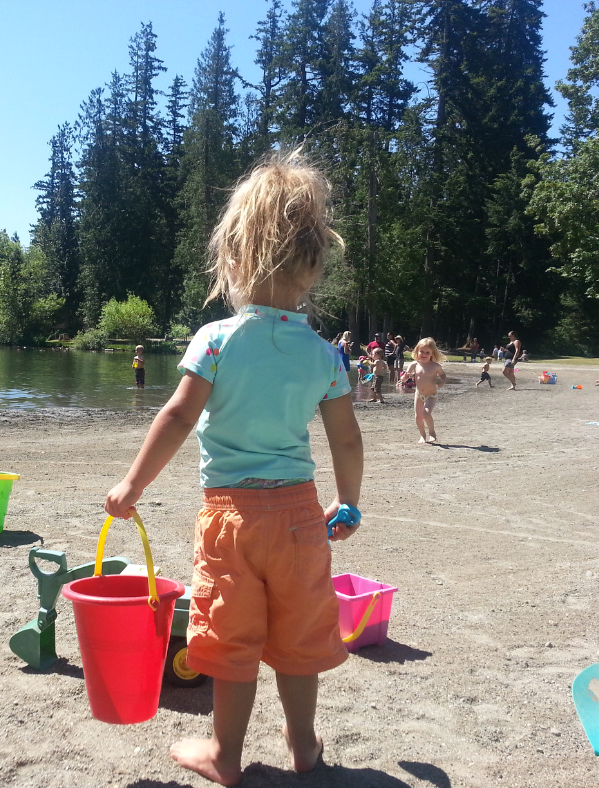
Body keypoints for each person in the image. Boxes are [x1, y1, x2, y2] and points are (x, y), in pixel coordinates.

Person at [104, 151, 363, 785]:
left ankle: (226, 754)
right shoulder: (325, 354)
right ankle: (304, 747)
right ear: (313, 266)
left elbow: (176, 417)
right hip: (303, 515)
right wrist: (348, 502)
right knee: (299, 637)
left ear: (235, 257)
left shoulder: (217, 339)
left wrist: (132, 484)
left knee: (230, 637)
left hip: (230, 519)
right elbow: (347, 439)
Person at [401, 337, 446, 444]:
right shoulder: (414, 365)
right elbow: (404, 378)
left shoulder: (435, 366)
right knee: (418, 417)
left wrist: (441, 383)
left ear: (432, 353)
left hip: (431, 394)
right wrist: (404, 378)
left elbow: (443, 375)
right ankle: (422, 435)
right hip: (419, 394)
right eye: (422, 351)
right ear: (417, 351)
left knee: (426, 414)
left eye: (427, 352)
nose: (424, 354)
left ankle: (432, 432)